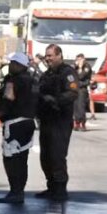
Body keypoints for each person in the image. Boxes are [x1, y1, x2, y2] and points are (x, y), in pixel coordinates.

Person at [0, 51, 39, 204]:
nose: (10, 66)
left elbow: (8, 99)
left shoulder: (13, 81)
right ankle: (19, 191)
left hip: (14, 123)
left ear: (18, 65)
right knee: (22, 158)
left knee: (11, 158)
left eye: (12, 63)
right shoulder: (32, 81)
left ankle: (15, 191)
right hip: (28, 123)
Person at [35, 44, 79, 201]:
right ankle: (51, 187)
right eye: (46, 56)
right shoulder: (46, 74)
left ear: (59, 55)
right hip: (46, 121)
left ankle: (60, 189)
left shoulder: (68, 72)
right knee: (45, 156)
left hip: (60, 120)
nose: (48, 58)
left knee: (57, 155)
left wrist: (55, 100)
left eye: (51, 55)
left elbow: (73, 92)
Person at [72, 53, 94, 131]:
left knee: (81, 106)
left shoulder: (86, 66)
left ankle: (82, 123)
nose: (78, 61)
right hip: (75, 88)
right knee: (75, 107)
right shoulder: (75, 66)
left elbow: (81, 76)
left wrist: (80, 68)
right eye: (77, 59)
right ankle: (76, 122)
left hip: (82, 88)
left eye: (80, 59)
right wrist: (75, 66)